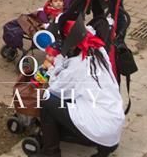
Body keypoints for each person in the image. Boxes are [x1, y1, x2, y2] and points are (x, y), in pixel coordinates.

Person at [38, 25, 124, 156]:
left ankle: (50, 153)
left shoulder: (77, 65)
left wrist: (53, 67)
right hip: (113, 125)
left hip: (98, 128)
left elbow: (56, 89)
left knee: (47, 100)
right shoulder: (100, 52)